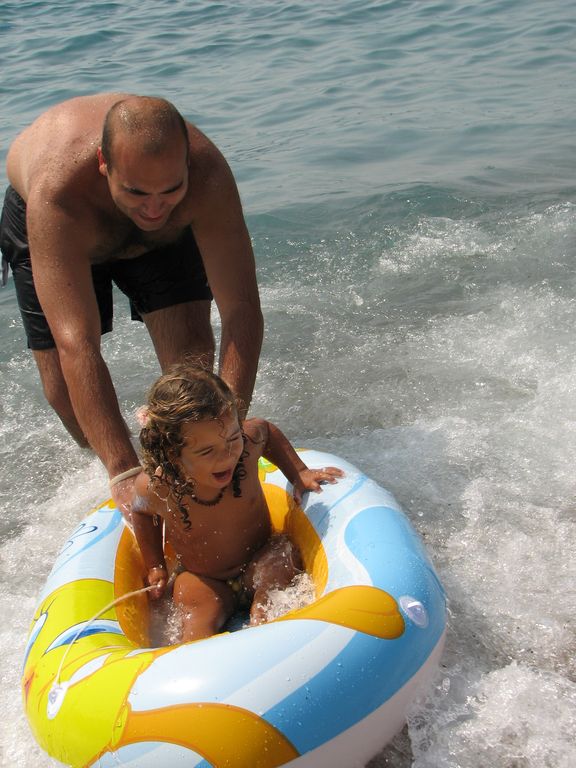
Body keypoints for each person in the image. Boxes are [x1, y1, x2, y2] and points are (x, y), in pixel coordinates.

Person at [0, 93, 263, 516]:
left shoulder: (207, 176)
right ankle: (116, 463)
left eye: (171, 189)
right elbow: (77, 344)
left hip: (162, 241)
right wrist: (124, 473)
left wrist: (229, 433)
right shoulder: (58, 192)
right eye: (136, 191)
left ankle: (180, 455)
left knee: (189, 364)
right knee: (64, 395)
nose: (154, 207)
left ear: (187, 166)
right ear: (104, 164)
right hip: (62, 223)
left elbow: (241, 308)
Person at [131, 363, 343, 642]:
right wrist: (155, 565)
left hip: (260, 556)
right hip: (204, 578)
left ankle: (269, 634)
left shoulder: (247, 447)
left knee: (281, 558)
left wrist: (298, 472)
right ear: (172, 453)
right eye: (207, 451)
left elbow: (265, 431)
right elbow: (142, 513)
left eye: (233, 438)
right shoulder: (158, 486)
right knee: (193, 615)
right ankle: (204, 657)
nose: (227, 455)